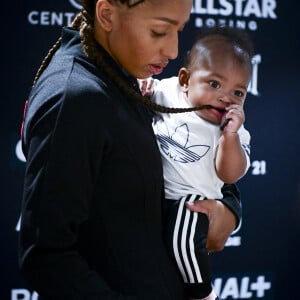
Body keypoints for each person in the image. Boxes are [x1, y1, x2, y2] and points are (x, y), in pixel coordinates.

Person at [19, 1, 243, 299]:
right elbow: (47, 257)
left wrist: (227, 209)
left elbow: (192, 162)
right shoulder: (75, 97)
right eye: (159, 31)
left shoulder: (127, 78)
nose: (174, 50)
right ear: (107, 14)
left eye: (178, 30)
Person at [140, 26, 254, 300]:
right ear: (185, 79)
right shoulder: (167, 92)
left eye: (238, 93)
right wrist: (142, 86)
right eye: (214, 84)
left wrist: (229, 137)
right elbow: (146, 88)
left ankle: (202, 293)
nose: (225, 97)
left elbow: (230, 174)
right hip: (152, 202)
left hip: (193, 205)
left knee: (187, 222)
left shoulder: (233, 131)